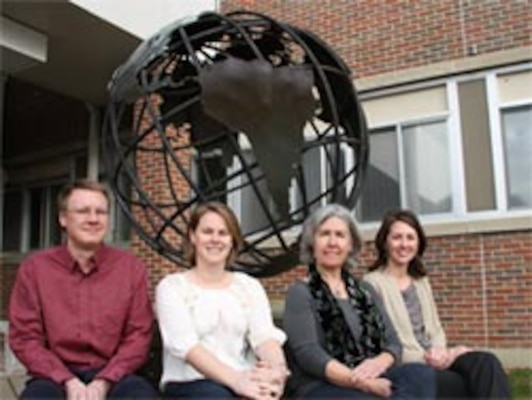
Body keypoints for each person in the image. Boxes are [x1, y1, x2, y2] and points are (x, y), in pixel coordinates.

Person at [8, 179, 159, 399]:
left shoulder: (131, 269)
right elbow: (25, 338)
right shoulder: (35, 269)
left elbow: (139, 336)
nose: (93, 219)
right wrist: (66, 379)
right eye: (82, 211)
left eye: (101, 212)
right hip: (53, 376)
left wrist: (104, 380)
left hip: (116, 375)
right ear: (63, 219)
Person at [283, 203, 435, 399]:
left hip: (371, 372)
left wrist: (379, 362)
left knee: (419, 374)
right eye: (324, 234)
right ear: (312, 243)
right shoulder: (301, 292)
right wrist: (364, 383)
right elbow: (309, 355)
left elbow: (393, 344)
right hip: (321, 384)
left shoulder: (365, 290)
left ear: (350, 245)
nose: (332, 242)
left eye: (340, 235)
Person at [364, 209, 511, 399]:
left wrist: (443, 353)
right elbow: (386, 342)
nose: (404, 244)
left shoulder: (420, 281)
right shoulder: (372, 283)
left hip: (436, 358)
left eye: (410, 238)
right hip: (406, 366)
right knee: (460, 384)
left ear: (418, 243)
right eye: (397, 237)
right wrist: (432, 358)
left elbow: (435, 328)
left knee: (485, 363)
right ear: (385, 242)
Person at [155, 201, 289, 399]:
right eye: (207, 231)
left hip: (244, 381)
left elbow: (265, 337)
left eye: (223, 233)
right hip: (191, 384)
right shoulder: (172, 287)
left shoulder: (248, 286)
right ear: (193, 236)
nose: (215, 239)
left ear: (232, 240)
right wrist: (236, 381)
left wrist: (277, 371)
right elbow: (187, 346)